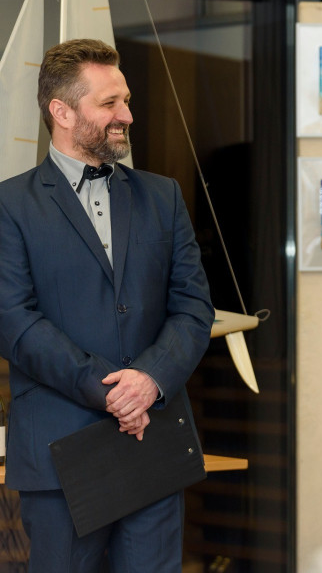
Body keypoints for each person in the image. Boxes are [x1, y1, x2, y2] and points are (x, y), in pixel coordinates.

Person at [0, 39, 214, 571]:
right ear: (62, 111)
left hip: (154, 443)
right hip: (60, 449)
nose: (127, 115)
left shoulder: (163, 197)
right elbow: (14, 322)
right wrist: (113, 392)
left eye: (127, 100)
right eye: (110, 103)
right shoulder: (8, 206)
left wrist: (149, 381)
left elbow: (193, 307)